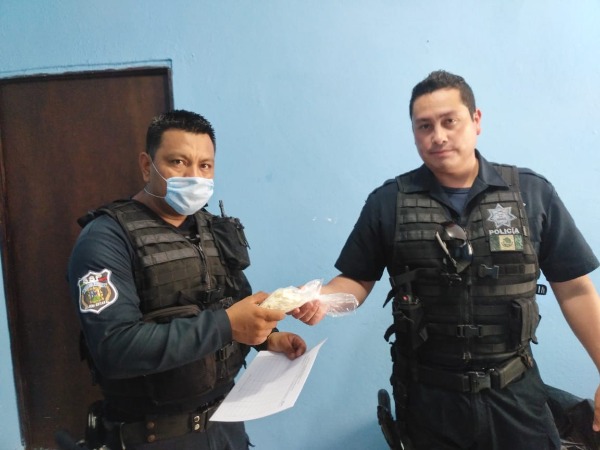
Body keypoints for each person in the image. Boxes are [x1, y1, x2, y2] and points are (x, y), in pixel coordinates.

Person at [292, 70, 600, 449]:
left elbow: (575, 290)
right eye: (424, 126)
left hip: (516, 395)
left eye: (449, 121)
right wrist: (322, 299)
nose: (437, 136)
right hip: (429, 402)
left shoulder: (531, 194)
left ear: (476, 120)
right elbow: (356, 280)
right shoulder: (388, 202)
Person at [67, 109, 306, 450]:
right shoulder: (105, 239)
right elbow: (114, 348)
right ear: (147, 165)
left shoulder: (215, 229)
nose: (194, 176)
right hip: (154, 435)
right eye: (178, 162)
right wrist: (226, 326)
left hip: (226, 427)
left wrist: (268, 339)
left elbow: (235, 304)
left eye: (205, 165)